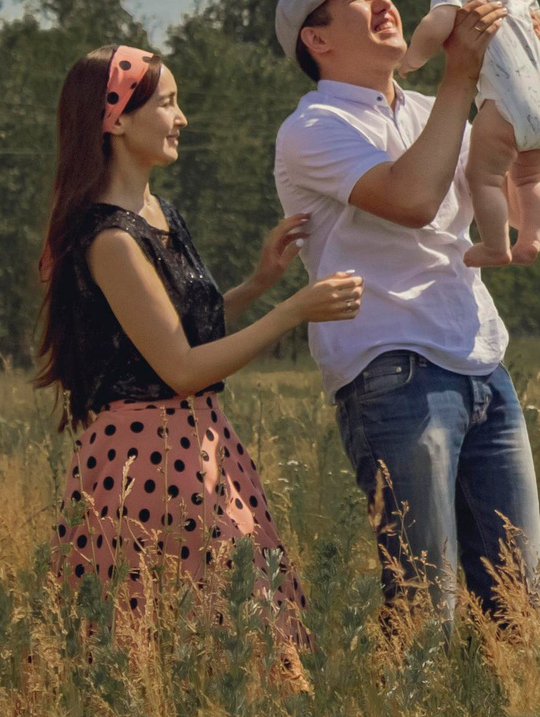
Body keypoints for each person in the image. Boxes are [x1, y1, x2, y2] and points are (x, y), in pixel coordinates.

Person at [34, 43, 365, 651]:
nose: (182, 118)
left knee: (235, 625)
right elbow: (181, 368)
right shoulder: (110, 238)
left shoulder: (158, 213)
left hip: (199, 442)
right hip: (145, 458)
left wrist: (259, 284)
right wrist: (292, 311)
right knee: (192, 635)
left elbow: (175, 329)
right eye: (168, 103)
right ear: (117, 120)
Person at [271, 0, 540, 629]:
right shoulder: (313, 128)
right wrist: (461, 75)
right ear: (317, 40)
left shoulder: (437, 112)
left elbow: (520, 209)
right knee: (428, 608)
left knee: (520, 604)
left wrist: (523, 79)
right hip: (391, 371)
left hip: (482, 363)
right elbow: (412, 199)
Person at [397, 0, 540, 266]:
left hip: (503, 108)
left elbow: (432, 28)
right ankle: (531, 239)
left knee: (484, 179)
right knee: (531, 175)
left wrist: (410, 60)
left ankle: (495, 245)